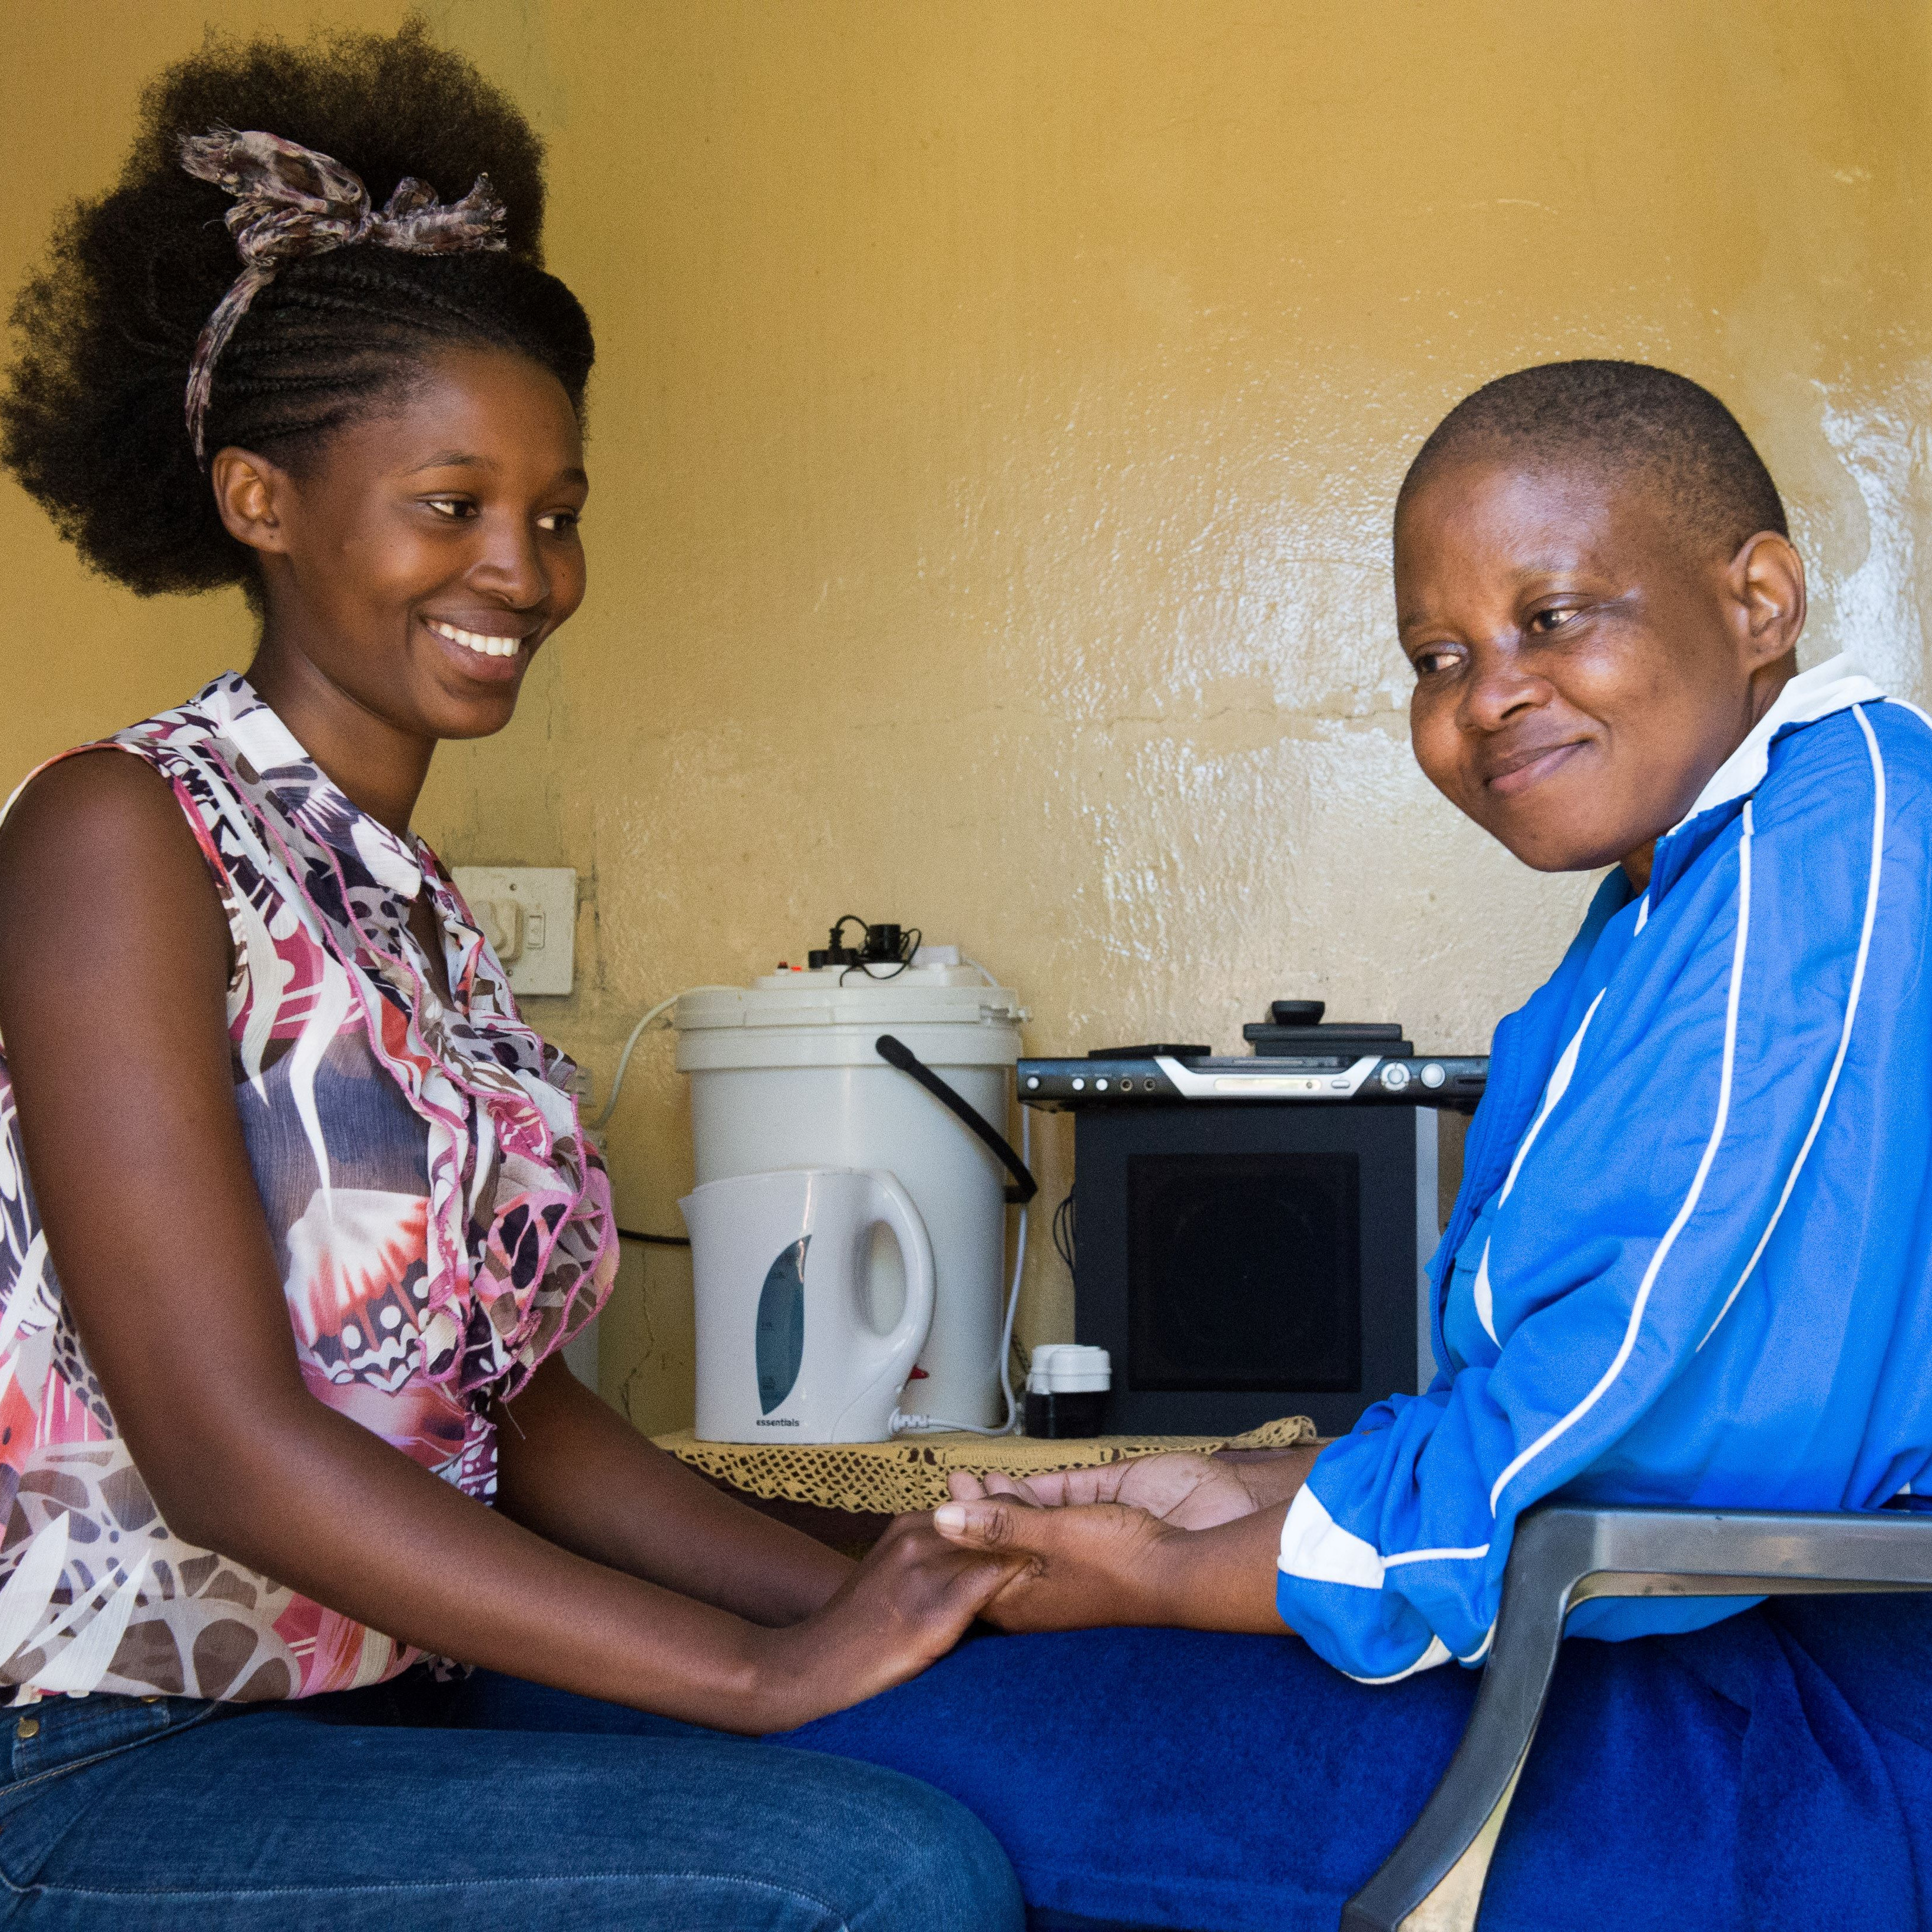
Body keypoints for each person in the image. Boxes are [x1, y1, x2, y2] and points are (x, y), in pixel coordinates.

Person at [0, 25, 1025, 1930]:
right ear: (260, 501)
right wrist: (758, 1671)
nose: (526, 572)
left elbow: (520, 1424)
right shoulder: (114, 835)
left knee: (1015, 1748)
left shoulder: (416, 918)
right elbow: (225, 1454)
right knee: (882, 1878)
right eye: (452, 504)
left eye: (555, 514)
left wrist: (918, 1580)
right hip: (96, 1756)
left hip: (383, 1712)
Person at [765, 361, 1932, 1930]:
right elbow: (1573, 1402)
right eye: (1439, 657)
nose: (1487, 694)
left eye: (1551, 617)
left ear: (1759, 601)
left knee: (839, 1743)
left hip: (1812, 1756)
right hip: (1700, 1659)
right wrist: (1228, 1491)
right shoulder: (1696, 884)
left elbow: (1636, 1439)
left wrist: (1173, 1575)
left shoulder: (1829, 864)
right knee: (915, 1654)